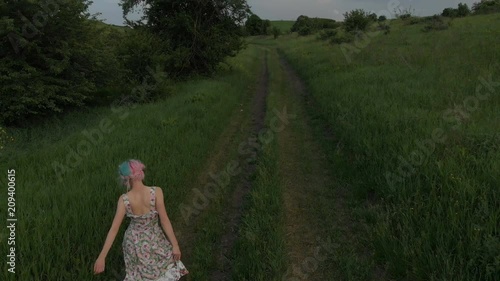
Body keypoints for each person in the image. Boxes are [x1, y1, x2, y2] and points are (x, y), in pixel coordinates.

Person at [93, 159, 188, 280]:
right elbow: (164, 220)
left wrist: (102, 257)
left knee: (139, 276)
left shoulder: (124, 199)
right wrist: (175, 245)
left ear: (126, 179)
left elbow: (114, 229)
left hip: (134, 243)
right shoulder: (156, 192)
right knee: (163, 268)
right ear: (140, 173)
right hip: (155, 238)